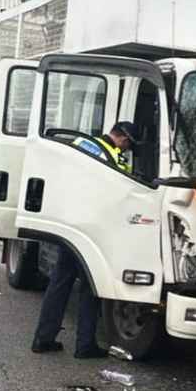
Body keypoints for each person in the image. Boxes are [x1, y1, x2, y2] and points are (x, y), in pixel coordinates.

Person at [31, 121, 140, 359]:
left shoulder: (81, 143)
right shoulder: (112, 157)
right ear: (122, 138)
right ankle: (85, 345)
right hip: (92, 229)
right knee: (91, 286)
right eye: (128, 144)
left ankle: (43, 338)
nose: (127, 149)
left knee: (60, 282)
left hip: (69, 225)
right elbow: (121, 193)